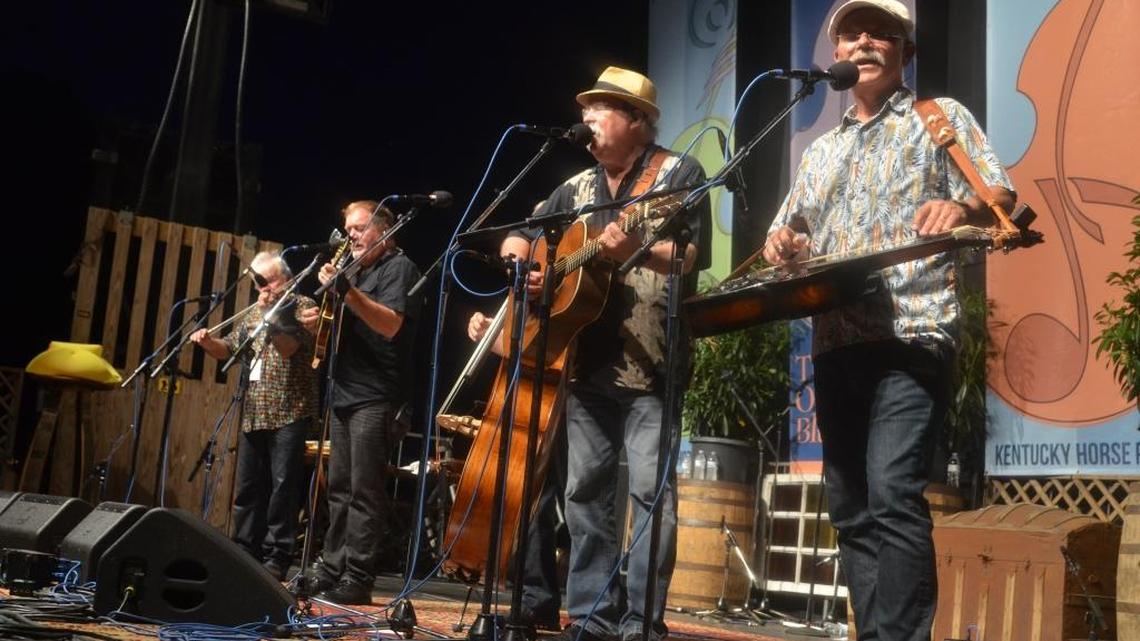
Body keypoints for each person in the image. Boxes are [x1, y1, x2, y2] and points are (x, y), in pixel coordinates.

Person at [762, 2, 1015, 640]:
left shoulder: (940, 118)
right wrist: (784, 245)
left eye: (883, 32)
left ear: (906, 49)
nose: (866, 41)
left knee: (893, 493)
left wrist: (958, 208)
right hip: (836, 337)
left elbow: (999, 202)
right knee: (849, 508)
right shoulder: (820, 150)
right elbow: (787, 231)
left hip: (913, 330)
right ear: (835, 53)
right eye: (852, 32)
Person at [470, 66, 711, 641]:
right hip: (583, 358)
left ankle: (640, 623)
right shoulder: (576, 188)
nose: (587, 119)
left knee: (650, 495)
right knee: (583, 493)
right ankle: (592, 616)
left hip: (652, 358)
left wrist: (639, 249)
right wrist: (523, 263)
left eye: (601, 109)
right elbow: (523, 232)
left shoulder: (677, 172)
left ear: (639, 121)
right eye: (586, 110)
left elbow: (690, 258)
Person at [298, 200, 423, 605]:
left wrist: (347, 293)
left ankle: (358, 575)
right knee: (338, 487)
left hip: (377, 393)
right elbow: (342, 324)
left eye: (359, 227)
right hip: (344, 390)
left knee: (365, 489)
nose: (350, 234)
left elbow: (389, 324)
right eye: (347, 227)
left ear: (385, 230)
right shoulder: (355, 270)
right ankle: (332, 567)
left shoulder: (398, 268)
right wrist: (321, 320)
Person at [190, 251, 319, 581]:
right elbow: (229, 348)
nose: (262, 288)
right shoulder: (252, 314)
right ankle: (245, 548)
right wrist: (207, 342)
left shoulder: (303, 307)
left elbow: (289, 348)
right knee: (248, 485)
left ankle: (278, 553)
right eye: (257, 282)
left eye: (267, 280)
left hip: (290, 409)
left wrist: (270, 316)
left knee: (282, 486)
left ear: (286, 278)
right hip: (255, 409)